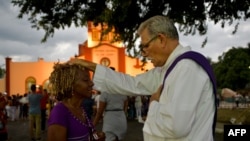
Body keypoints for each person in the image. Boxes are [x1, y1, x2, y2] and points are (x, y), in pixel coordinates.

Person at [70, 15, 217, 141]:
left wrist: (153, 105)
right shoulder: (169, 69)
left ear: (161, 39)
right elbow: (132, 83)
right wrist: (88, 65)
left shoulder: (187, 68)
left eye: (145, 46)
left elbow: (176, 126)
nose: (144, 54)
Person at [47, 63, 105, 141]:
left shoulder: (80, 108)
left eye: (90, 80)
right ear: (71, 84)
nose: (91, 83)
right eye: (85, 80)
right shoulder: (59, 113)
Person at [93, 67, 128, 141]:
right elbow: (126, 103)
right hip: (121, 117)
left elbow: (100, 112)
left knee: (109, 138)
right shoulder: (121, 90)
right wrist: (123, 114)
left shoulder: (105, 91)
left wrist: (93, 125)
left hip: (110, 118)